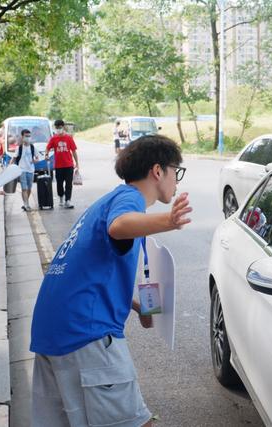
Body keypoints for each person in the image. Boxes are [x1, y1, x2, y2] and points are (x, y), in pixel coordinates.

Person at [30, 135, 191, 427]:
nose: (176, 182)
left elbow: (91, 269)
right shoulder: (129, 200)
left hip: (52, 330)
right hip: (84, 333)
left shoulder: (108, 201)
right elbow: (119, 227)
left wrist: (136, 305)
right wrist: (170, 220)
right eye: (175, 172)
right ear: (158, 171)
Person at [46, 118, 79, 208]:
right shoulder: (54, 138)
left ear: (63, 127)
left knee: (69, 184)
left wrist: (77, 164)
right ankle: (61, 196)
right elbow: (48, 147)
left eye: (60, 127)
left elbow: (74, 151)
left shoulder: (69, 138)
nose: (58, 129)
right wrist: (46, 154)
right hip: (58, 166)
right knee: (59, 183)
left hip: (69, 165)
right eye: (57, 127)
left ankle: (68, 200)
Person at [14, 128, 38, 211]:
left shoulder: (32, 147)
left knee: (29, 188)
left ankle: (26, 202)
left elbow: (37, 158)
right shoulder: (19, 148)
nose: (28, 138)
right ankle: (26, 204)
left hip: (31, 170)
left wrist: (35, 160)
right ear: (22, 137)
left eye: (29, 136)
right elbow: (14, 158)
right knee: (24, 188)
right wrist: (9, 168)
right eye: (26, 136)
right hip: (21, 170)